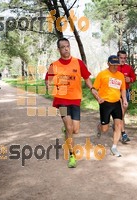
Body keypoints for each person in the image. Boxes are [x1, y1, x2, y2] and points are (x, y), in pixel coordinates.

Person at [46, 38, 98, 168]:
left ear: (69, 47)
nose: (65, 48)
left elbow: (87, 78)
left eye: (67, 46)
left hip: (75, 100)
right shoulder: (54, 65)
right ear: (59, 49)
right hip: (61, 100)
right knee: (69, 128)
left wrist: (92, 90)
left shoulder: (78, 63)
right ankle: (72, 155)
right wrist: (50, 86)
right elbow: (48, 81)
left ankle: (66, 130)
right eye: (62, 47)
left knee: (75, 129)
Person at [92, 55, 128, 157]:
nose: (115, 67)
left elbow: (123, 89)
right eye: (113, 65)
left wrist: (124, 99)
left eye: (117, 65)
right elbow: (94, 88)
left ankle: (114, 147)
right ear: (108, 64)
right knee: (105, 129)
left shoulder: (120, 75)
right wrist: (98, 97)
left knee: (118, 125)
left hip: (116, 103)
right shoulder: (102, 74)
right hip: (105, 103)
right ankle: (99, 127)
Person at [117, 50, 136, 143]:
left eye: (124, 58)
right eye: (121, 58)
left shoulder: (128, 68)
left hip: (126, 92)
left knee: (122, 113)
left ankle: (117, 124)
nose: (123, 60)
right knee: (120, 113)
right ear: (117, 58)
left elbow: (134, 78)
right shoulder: (114, 67)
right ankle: (123, 134)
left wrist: (130, 79)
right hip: (116, 93)